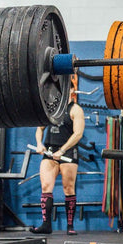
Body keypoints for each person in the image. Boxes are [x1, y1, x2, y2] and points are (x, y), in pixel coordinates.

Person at [30, 79, 86, 235]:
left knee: (68, 188)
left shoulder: (76, 110)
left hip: (67, 153)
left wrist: (62, 150)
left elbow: (78, 134)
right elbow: (39, 128)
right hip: (49, 152)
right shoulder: (50, 109)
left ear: (72, 91)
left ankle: (70, 226)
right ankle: (46, 225)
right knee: (46, 187)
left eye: (66, 88)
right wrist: (39, 144)